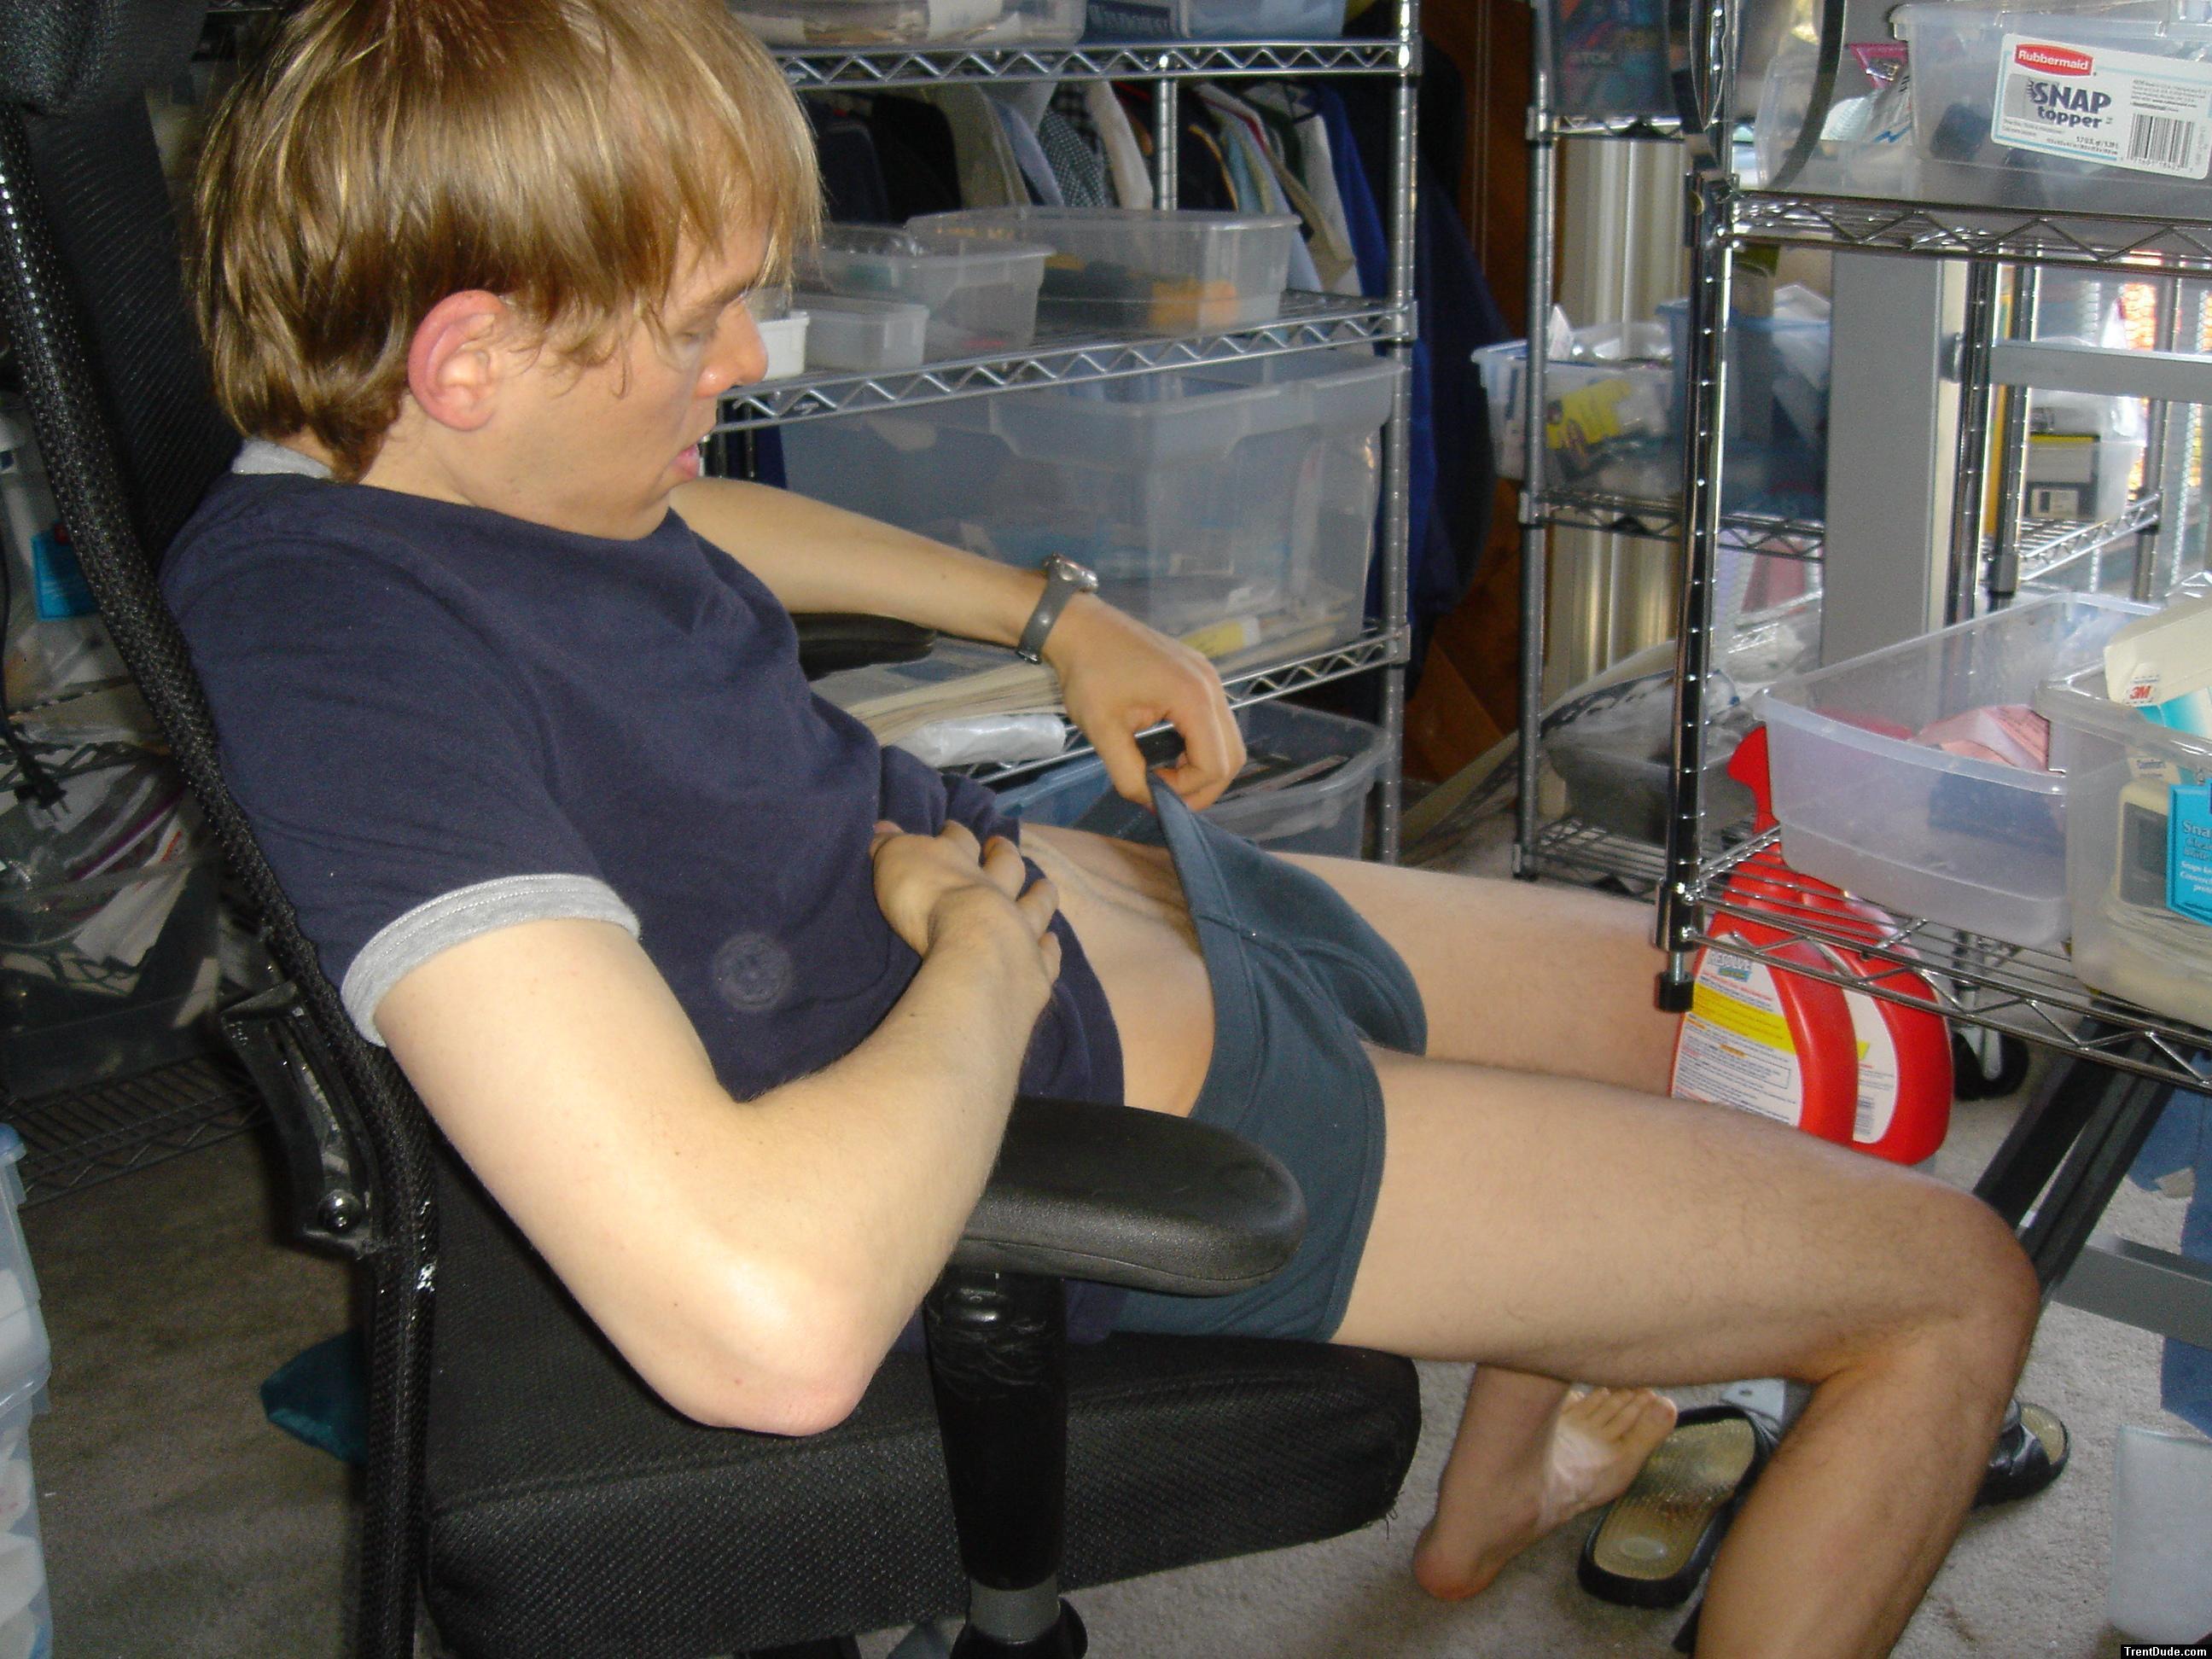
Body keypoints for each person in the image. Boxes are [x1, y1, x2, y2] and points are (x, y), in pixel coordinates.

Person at [168, 1, 2042, 1651]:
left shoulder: (435, 475)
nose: (746, 362)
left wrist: (1050, 616)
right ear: (470, 358)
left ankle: (1495, 1500)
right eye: (691, 323)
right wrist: (982, 965)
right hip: (1125, 1089)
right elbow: (764, 1326)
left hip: (1140, 902)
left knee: (1709, 1007)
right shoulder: (342, 666)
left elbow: (691, 522)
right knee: (1952, 1290)